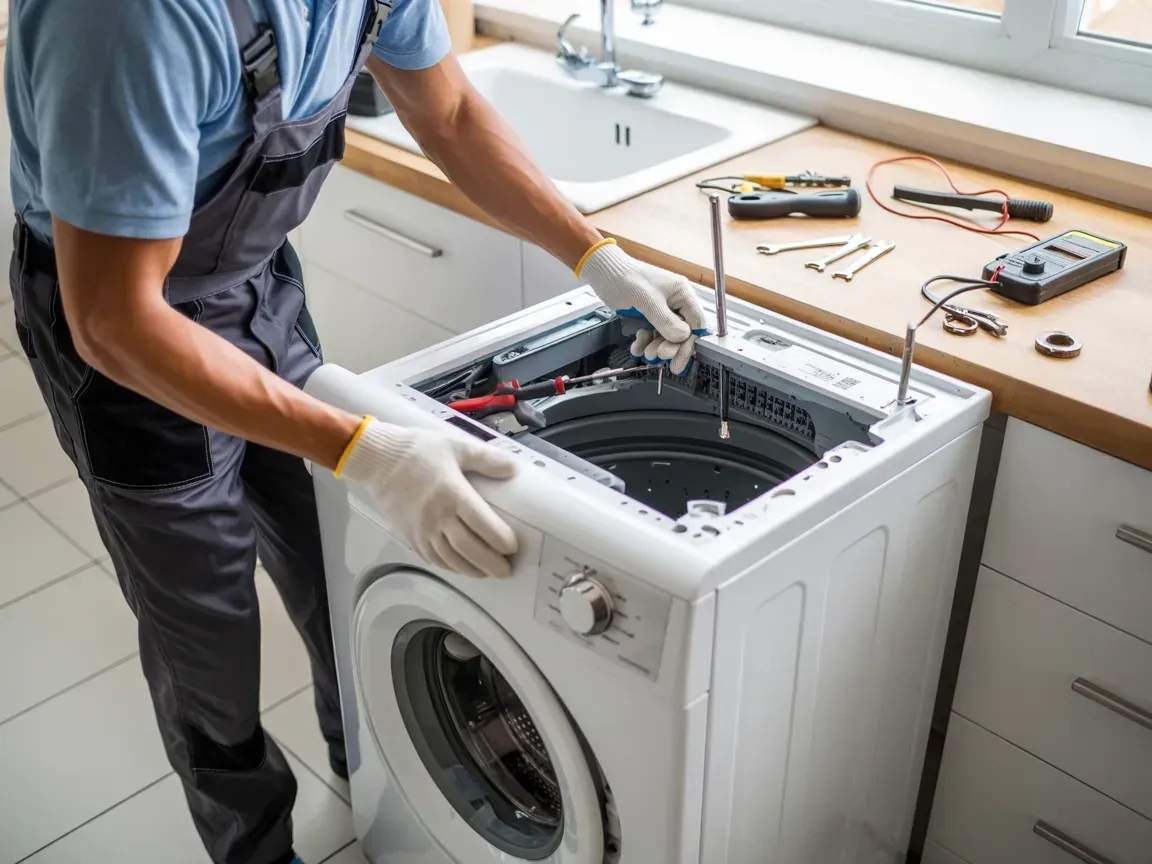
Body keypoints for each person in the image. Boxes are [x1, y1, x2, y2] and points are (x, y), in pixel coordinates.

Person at [5, 1, 706, 861]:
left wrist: (595, 255)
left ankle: (372, 779)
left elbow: (446, 111)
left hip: (254, 290)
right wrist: (361, 447)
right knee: (208, 638)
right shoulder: (135, 18)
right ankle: (255, 848)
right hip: (127, 341)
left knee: (332, 563)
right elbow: (114, 319)